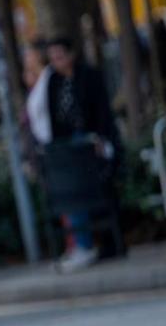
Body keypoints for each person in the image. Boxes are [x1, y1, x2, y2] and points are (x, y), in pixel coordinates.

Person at [27, 35, 118, 273]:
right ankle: (79, 244)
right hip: (66, 148)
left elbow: (101, 111)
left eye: (60, 56)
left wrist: (101, 139)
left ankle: (89, 244)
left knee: (86, 193)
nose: (57, 61)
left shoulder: (88, 76)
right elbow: (51, 117)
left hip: (90, 143)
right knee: (69, 192)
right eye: (53, 57)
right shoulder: (54, 82)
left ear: (71, 55)